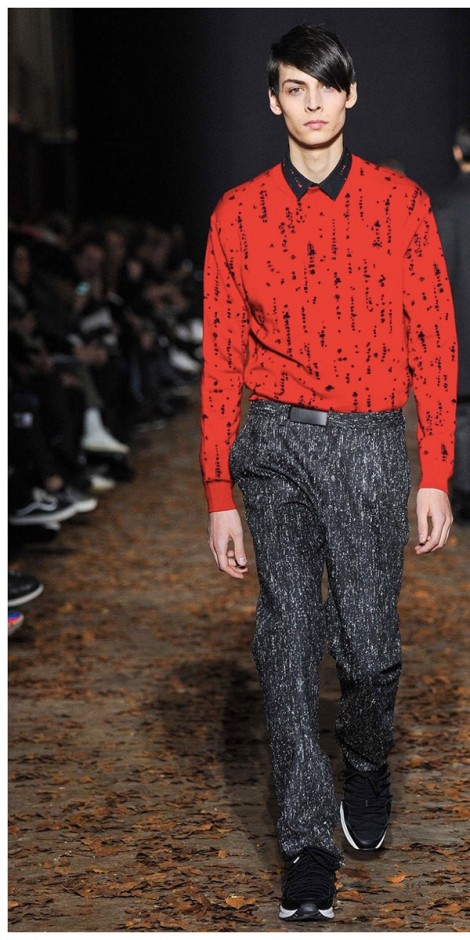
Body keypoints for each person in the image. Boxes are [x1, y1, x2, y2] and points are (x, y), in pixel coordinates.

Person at [200, 24, 457, 923]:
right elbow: (221, 356)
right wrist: (219, 490)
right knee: (285, 638)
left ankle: (366, 758)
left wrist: (435, 469)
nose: (312, 104)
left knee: (371, 648)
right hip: (272, 442)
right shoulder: (237, 214)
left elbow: (435, 340)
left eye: (325, 87)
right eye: (294, 89)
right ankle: (307, 845)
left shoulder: (401, 204)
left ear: (351, 94)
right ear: (273, 101)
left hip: (371, 441)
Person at [433, 122, 470, 525]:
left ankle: (464, 495)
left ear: (458, 153)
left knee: (460, 416)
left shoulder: (440, 208)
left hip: (457, 325)